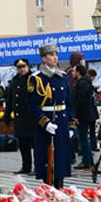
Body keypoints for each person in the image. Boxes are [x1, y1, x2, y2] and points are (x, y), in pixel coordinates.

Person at [28, 43, 74, 188]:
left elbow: (68, 102)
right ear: (43, 58)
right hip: (46, 124)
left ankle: (60, 188)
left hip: (61, 123)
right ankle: (47, 190)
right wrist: (45, 123)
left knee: (61, 160)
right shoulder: (36, 78)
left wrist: (71, 124)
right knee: (46, 161)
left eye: (56, 54)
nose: (55, 58)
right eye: (51, 55)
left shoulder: (63, 76)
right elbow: (32, 105)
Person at [2, 59, 36, 174]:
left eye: (24, 67)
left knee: (36, 145)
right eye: (19, 67)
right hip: (20, 118)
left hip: (32, 117)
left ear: (28, 67)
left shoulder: (33, 79)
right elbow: (10, 99)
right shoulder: (15, 81)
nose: (21, 69)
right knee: (23, 144)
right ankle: (26, 166)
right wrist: (7, 114)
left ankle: (38, 166)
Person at [72, 65, 98, 169]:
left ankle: (86, 161)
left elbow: (80, 101)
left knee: (83, 138)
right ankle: (89, 160)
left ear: (78, 72)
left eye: (74, 71)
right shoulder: (86, 82)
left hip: (83, 115)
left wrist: (76, 115)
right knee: (84, 138)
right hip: (87, 114)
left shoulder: (82, 83)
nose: (72, 73)